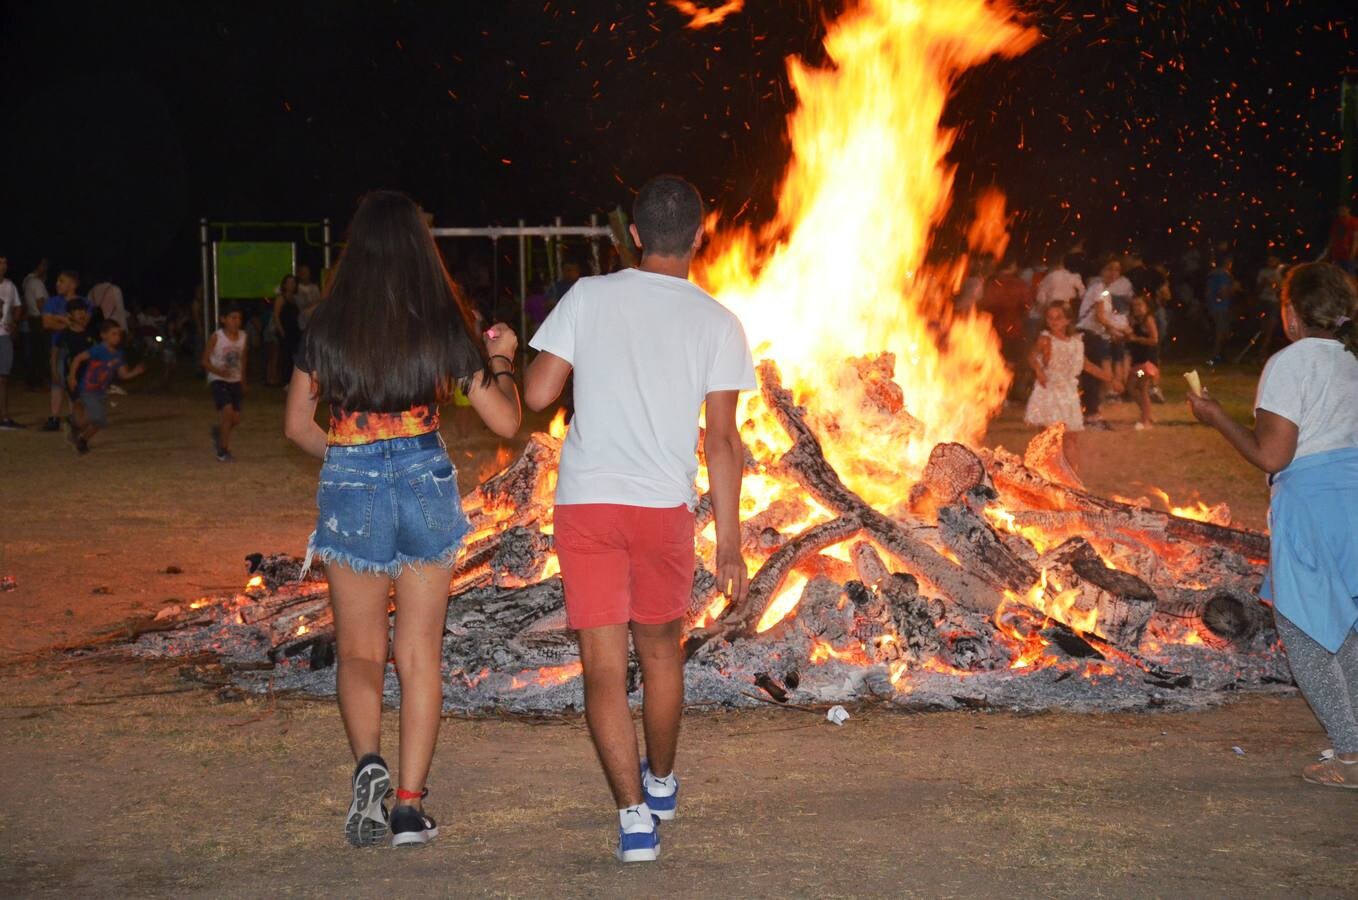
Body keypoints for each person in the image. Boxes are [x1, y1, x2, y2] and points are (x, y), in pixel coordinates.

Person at [524, 175, 755, 863]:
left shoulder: (589, 296)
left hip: (588, 503)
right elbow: (721, 440)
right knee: (660, 655)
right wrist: (732, 546)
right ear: (700, 235)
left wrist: (506, 357)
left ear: (631, 234)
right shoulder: (718, 321)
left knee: (602, 668)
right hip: (663, 509)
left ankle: (632, 820)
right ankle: (658, 784)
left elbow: (538, 394)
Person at [283, 190, 521, 849]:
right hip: (424, 477)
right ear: (421, 247)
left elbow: (296, 425)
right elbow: (505, 419)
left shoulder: (327, 321)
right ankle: (410, 808)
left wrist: (350, 458)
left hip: (352, 478)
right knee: (419, 652)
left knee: (360, 651)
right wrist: (500, 356)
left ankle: (369, 765)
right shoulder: (443, 316)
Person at [1187, 262, 1358, 788]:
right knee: (1348, 626)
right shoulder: (1350, 361)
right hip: (1350, 496)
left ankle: (1350, 757)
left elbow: (1272, 455)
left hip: (1311, 507)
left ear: (1291, 314)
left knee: (1304, 630)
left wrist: (1216, 417)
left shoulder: (1290, 363)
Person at [1024, 302, 1098, 471]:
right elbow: (1032, 356)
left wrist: (1109, 377)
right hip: (1049, 391)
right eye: (1050, 318)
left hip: (1068, 392)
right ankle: (1042, 473)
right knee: (1048, 437)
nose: (1053, 322)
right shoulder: (1045, 339)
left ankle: (1072, 478)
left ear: (1068, 320)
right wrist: (1038, 370)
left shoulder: (1076, 342)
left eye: (1058, 318)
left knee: (1071, 437)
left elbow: (1085, 364)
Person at [66, 320, 145, 454]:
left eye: (118, 334)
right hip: (87, 388)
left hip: (100, 391)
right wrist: (72, 377)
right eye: (113, 334)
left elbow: (123, 375)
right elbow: (78, 358)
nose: (117, 337)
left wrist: (135, 372)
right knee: (96, 418)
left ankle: (81, 437)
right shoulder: (98, 349)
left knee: (98, 421)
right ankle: (77, 429)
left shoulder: (118, 354)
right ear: (103, 335)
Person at [1075, 256, 1128, 430]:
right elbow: (1099, 316)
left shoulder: (1104, 291)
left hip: (1094, 335)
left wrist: (1111, 331)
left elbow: (1100, 318)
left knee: (1091, 377)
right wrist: (1118, 329)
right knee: (1092, 376)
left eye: (1117, 270)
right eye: (1110, 269)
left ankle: (1090, 413)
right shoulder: (1098, 287)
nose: (1114, 273)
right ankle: (1091, 415)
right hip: (1088, 336)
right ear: (1102, 270)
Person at [40, 271, 85, 431]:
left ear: (72, 284)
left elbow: (84, 324)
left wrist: (58, 319)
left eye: (62, 280)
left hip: (78, 350)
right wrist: (69, 322)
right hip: (59, 347)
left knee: (75, 383)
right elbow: (46, 324)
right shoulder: (52, 301)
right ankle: (54, 417)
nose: (57, 284)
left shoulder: (84, 303)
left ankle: (75, 417)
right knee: (57, 380)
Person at [203, 305, 247, 462]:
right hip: (218, 379)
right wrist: (219, 372)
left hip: (234, 380)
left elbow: (243, 359)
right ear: (223, 319)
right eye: (233, 318)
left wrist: (243, 380)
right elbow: (205, 360)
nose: (237, 322)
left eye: (239, 318)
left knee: (235, 419)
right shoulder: (217, 337)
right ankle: (223, 451)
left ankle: (220, 432)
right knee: (227, 412)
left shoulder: (243, 337)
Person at [1125, 293, 1160, 430]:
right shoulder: (1134, 321)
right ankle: (1147, 414)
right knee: (1132, 387)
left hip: (1147, 364)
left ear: (1146, 306)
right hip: (1138, 363)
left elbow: (1154, 339)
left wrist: (1136, 339)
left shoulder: (1148, 320)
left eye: (1140, 305)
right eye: (1134, 306)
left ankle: (1146, 420)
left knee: (1142, 388)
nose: (1137, 308)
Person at [20, 259, 49, 390]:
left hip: (32, 319)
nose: (46, 267)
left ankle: (34, 381)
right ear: (39, 266)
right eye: (44, 264)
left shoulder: (28, 281)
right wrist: (48, 319)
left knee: (35, 352)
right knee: (40, 353)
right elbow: (40, 302)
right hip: (39, 319)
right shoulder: (36, 282)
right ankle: (38, 382)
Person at [0, 256, 21, 429]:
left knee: (3, 377)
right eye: (0, 262)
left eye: (5, 262)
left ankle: (4, 416)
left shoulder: (9, 286)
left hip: (3, 335)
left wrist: (14, 321)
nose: (4, 266)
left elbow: (18, 305)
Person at [1205, 256, 1238, 365]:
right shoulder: (1223, 275)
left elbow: (1208, 292)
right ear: (1228, 262)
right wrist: (1234, 288)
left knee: (1224, 332)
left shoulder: (1212, 274)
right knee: (1220, 332)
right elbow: (1223, 293)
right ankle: (1214, 358)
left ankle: (1222, 356)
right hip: (1221, 307)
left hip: (1213, 306)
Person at [272, 274, 303, 385]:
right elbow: (276, 315)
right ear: (284, 285)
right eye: (289, 283)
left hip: (294, 330)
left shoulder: (294, 299)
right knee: (285, 356)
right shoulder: (281, 298)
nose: (292, 285)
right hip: (285, 331)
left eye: (293, 283)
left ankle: (292, 379)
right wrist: (281, 331)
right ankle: (286, 380)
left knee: (294, 355)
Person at [1254, 253, 1284, 361]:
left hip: (1274, 303)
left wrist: (1279, 288)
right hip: (1264, 301)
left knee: (1270, 330)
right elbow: (1258, 289)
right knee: (1263, 329)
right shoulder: (1263, 272)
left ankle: (1263, 353)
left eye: (1273, 259)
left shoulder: (1282, 271)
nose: (1270, 262)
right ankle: (1260, 353)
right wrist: (1264, 283)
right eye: (1269, 260)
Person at [1326, 204, 1358, 275]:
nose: (1341, 212)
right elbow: (1332, 239)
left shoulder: (1354, 221)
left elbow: (1356, 239)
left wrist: (1352, 253)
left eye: (1343, 209)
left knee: (1350, 275)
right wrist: (1330, 252)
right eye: (1339, 210)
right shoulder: (1336, 223)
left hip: (1348, 254)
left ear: (1348, 209)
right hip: (1337, 254)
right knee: (1338, 275)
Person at [295, 264, 322, 329]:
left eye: (305, 272)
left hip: (314, 320)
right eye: (301, 272)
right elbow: (299, 304)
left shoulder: (315, 287)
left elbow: (319, 301)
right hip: (302, 321)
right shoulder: (296, 288)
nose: (303, 274)